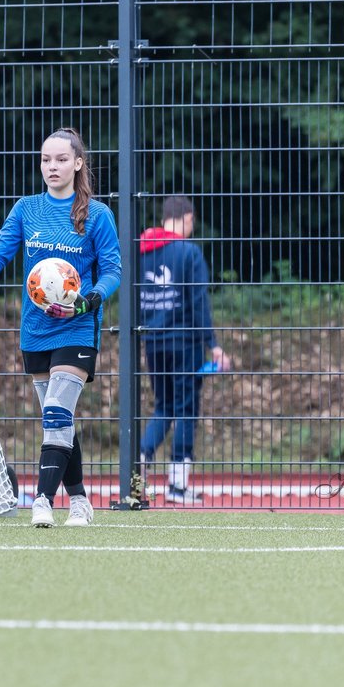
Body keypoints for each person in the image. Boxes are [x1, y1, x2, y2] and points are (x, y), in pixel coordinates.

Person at [0, 128, 121, 528]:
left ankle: (42, 500)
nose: (52, 167)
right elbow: (0, 251)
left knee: (57, 412)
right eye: (46, 160)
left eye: (61, 159)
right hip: (35, 331)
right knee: (61, 419)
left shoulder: (98, 215)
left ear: (78, 164)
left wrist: (91, 299)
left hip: (77, 328)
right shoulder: (27, 209)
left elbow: (112, 270)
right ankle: (79, 501)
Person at [137, 196, 230, 504]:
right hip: (185, 342)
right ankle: (177, 486)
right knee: (187, 409)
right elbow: (198, 301)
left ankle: (140, 457)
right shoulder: (188, 252)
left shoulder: (141, 252)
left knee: (164, 406)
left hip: (153, 341)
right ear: (187, 218)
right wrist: (213, 345)